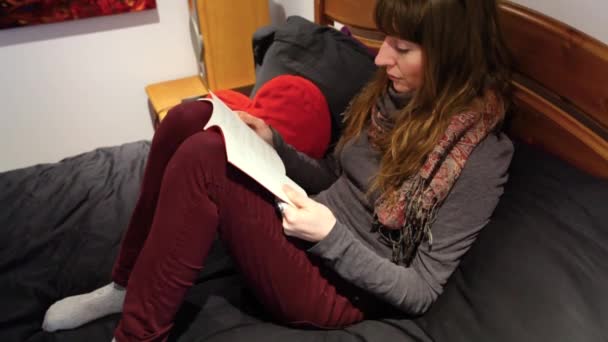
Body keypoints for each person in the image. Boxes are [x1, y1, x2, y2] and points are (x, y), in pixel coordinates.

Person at [42, 0, 514, 340]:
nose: (381, 57)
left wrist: (329, 235)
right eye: (385, 40)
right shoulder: (393, 96)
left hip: (339, 289)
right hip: (308, 226)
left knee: (204, 160)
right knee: (193, 115)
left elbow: (421, 291)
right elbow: (340, 178)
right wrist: (276, 146)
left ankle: (138, 336)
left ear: (451, 56)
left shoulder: (479, 155)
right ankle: (126, 283)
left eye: (402, 47)